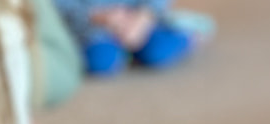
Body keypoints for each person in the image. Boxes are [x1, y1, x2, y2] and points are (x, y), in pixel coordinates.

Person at [52, 0, 204, 76]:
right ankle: (124, 52)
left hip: (140, 15)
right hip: (90, 23)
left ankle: (188, 32)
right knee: (100, 61)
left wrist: (142, 19)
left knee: (157, 52)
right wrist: (99, 17)